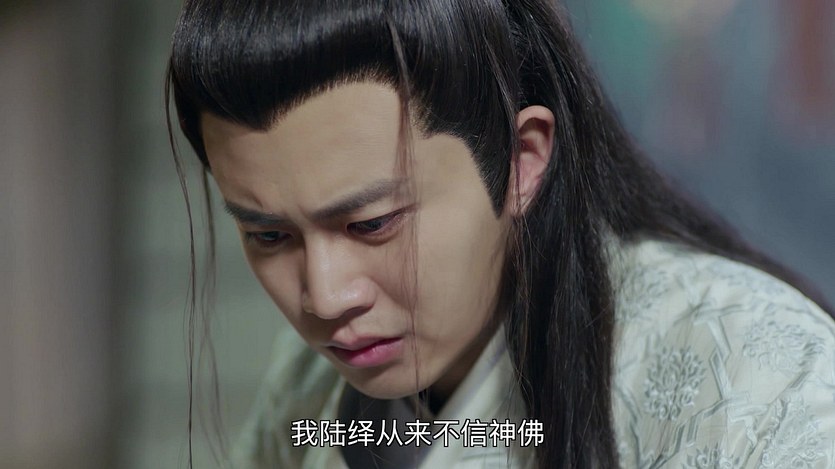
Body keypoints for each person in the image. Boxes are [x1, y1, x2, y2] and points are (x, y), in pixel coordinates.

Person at [166, 0, 835, 467]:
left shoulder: (754, 374)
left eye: (372, 224)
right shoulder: (309, 388)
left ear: (520, 158)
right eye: (269, 236)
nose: (326, 297)